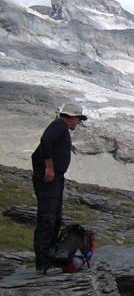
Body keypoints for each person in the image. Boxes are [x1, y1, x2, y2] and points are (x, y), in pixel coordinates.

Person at [31, 103, 88, 274]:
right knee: (47, 219)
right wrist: (49, 167)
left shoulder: (60, 127)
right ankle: (42, 264)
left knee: (55, 218)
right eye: (78, 119)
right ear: (70, 117)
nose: (78, 123)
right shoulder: (60, 126)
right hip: (49, 178)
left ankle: (50, 259)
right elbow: (46, 140)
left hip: (55, 178)